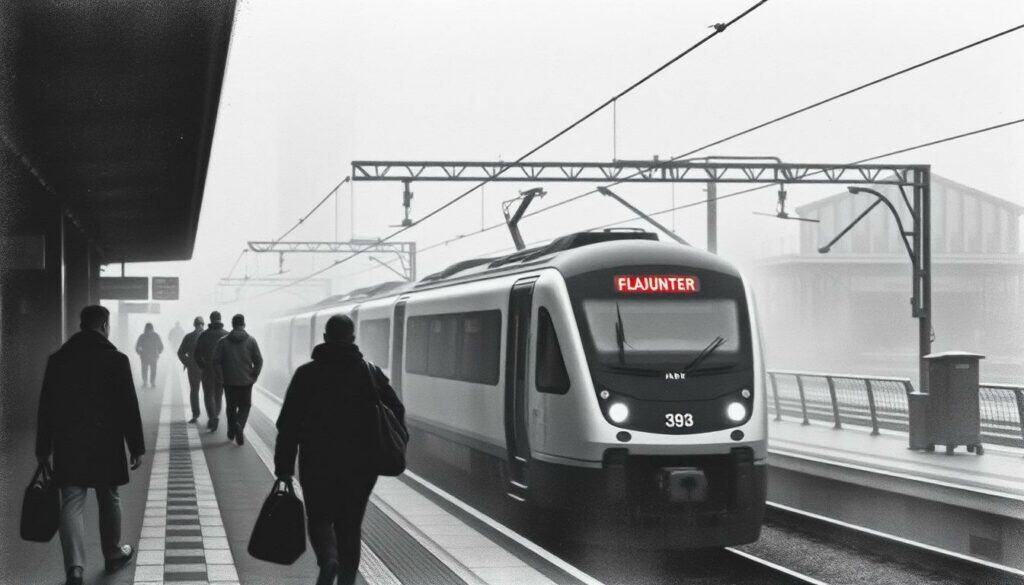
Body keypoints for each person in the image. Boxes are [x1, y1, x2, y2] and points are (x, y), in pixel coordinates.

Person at [275, 314, 405, 585]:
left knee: (320, 517)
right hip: (362, 464)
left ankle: (328, 558)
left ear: (324, 338)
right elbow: (396, 410)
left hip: (317, 461)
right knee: (350, 525)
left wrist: (284, 468)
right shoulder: (370, 372)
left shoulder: (306, 374)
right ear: (353, 338)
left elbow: (288, 424)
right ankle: (346, 580)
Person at [36, 305, 145, 585]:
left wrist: (42, 449)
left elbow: (46, 407)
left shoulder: (58, 360)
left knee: (71, 502)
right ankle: (112, 554)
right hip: (105, 442)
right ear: (105, 325)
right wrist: (136, 445)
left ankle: (75, 569)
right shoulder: (116, 360)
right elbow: (128, 406)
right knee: (109, 496)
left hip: (68, 442)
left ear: (81, 325)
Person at [212, 314, 263, 446]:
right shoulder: (251, 341)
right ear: (244, 324)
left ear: (232, 325)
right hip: (246, 381)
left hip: (228, 381)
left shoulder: (223, 341)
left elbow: (215, 361)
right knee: (245, 406)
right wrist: (254, 375)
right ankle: (239, 424)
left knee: (231, 407)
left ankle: (231, 430)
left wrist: (220, 376)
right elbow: (259, 360)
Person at [194, 311, 229, 432]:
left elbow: (197, 354)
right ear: (220, 319)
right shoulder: (227, 335)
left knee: (208, 395)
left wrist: (202, 366)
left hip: (207, 370)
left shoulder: (204, 335)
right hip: (222, 371)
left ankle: (212, 417)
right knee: (218, 395)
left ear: (210, 319)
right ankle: (216, 415)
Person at [176, 316, 206, 423]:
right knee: (209, 391)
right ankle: (212, 415)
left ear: (194, 325)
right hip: (207, 369)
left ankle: (195, 414)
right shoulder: (208, 336)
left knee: (194, 391)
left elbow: (180, 353)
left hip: (193, 368)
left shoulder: (188, 337)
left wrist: (187, 362)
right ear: (204, 324)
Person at [134, 323, 163, 388]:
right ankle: (152, 382)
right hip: (153, 356)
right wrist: (158, 352)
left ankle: (145, 382)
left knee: (144, 369)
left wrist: (140, 353)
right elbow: (161, 346)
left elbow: (137, 347)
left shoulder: (142, 336)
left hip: (144, 356)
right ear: (152, 328)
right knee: (153, 369)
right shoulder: (156, 336)